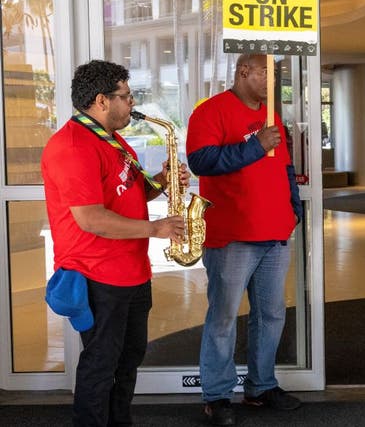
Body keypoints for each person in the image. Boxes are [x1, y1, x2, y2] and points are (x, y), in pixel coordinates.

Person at [41, 59, 186, 426]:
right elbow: (91, 218)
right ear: (102, 101)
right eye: (126, 95)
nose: (132, 104)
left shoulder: (113, 139)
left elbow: (128, 194)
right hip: (98, 275)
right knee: (101, 364)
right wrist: (156, 230)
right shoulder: (73, 146)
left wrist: (162, 180)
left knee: (127, 360)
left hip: (131, 271)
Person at [187, 54, 303, 426]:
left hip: (274, 232)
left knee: (270, 315)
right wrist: (255, 145)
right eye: (266, 74)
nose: (272, 82)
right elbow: (201, 161)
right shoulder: (210, 111)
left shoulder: (272, 115)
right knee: (222, 317)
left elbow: (285, 167)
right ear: (243, 72)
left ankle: (260, 387)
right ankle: (218, 396)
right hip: (232, 234)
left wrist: (293, 209)